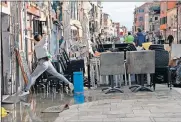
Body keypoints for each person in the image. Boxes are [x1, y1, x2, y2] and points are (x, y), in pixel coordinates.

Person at [19, 27, 74, 97]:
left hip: (42, 63)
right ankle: (69, 83)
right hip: (48, 63)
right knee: (57, 74)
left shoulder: (40, 44)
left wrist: (45, 32)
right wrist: (28, 37)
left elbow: (44, 39)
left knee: (32, 76)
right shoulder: (41, 44)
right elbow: (35, 40)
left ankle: (26, 90)